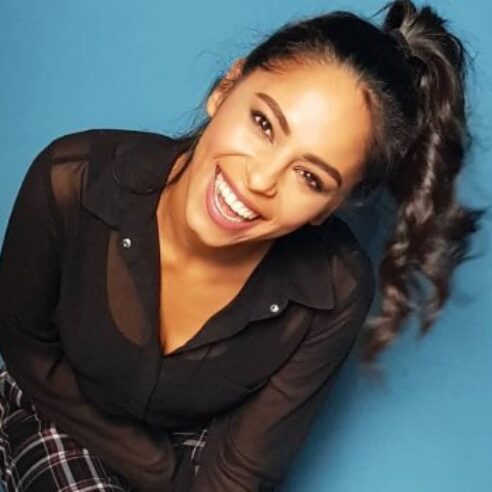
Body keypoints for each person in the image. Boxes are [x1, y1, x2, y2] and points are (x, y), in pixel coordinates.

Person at [0, 0, 483, 490]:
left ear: (331, 207)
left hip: (198, 442)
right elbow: (30, 356)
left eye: (310, 178)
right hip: (60, 407)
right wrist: (163, 470)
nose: (259, 180)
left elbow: (243, 471)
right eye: (264, 124)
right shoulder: (74, 179)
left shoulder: (334, 290)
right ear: (227, 87)